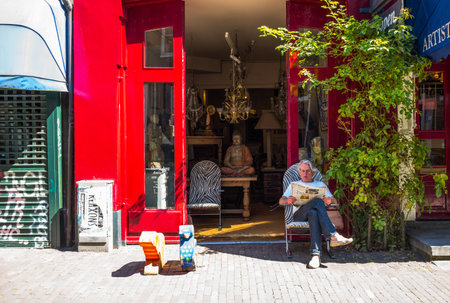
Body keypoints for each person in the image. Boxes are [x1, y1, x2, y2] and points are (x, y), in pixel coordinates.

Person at [279, 159, 352, 269]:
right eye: (302, 171)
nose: (305, 174)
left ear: (312, 172)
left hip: (312, 216)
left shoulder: (320, 184)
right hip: (299, 216)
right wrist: (287, 201)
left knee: (313, 213)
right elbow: (281, 201)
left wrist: (329, 201)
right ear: (299, 172)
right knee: (317, 201)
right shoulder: (294, 185)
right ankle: (332, 235)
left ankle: (315, 257)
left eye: (308, 171)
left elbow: (334, 201)